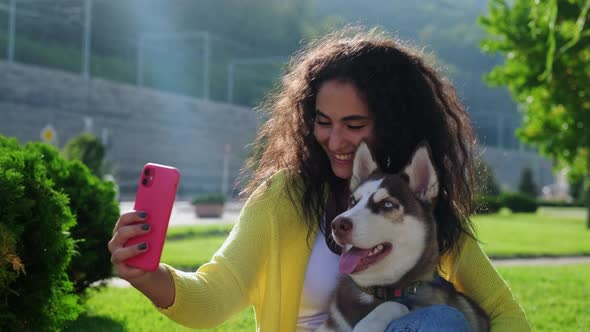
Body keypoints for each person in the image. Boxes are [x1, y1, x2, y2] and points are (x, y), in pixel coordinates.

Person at [108, 28, 530, 331]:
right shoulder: (283, 198)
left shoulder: (420, 208)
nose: (335, 140)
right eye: (323, 122)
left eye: (354, 124)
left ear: (393, 125)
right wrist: (148, 276)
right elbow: (215, 297)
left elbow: (506, 313)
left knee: (443, 319)